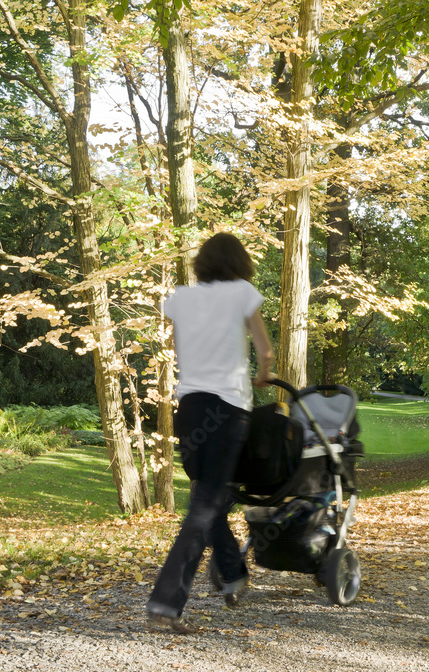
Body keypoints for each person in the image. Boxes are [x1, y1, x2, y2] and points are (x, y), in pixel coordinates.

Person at [146, 232, 274, 634]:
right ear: (239, 262)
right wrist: (263, 376)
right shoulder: (242, 292)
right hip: (228, 409)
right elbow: (265, 350)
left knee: (211, 496)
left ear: (202, 262)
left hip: (191, 407)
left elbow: (181, 346)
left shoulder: (180, 297)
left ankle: (233, 573)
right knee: (204, 506)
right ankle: (166, 603)